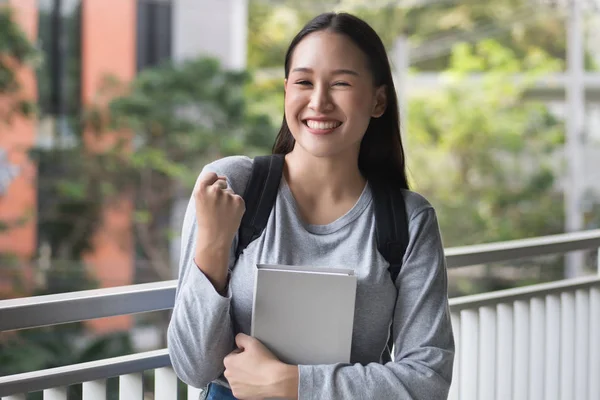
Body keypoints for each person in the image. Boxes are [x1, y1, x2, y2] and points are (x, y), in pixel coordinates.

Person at [168, 11, 455, 400]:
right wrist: (213, 247)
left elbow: (428, 379)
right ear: (286, 91)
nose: (319, 102)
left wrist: (294, 384)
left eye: (340, 83)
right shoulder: (231, 186)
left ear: (378, 100)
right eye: (304, 82)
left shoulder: (408, 220)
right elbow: (194, 368)